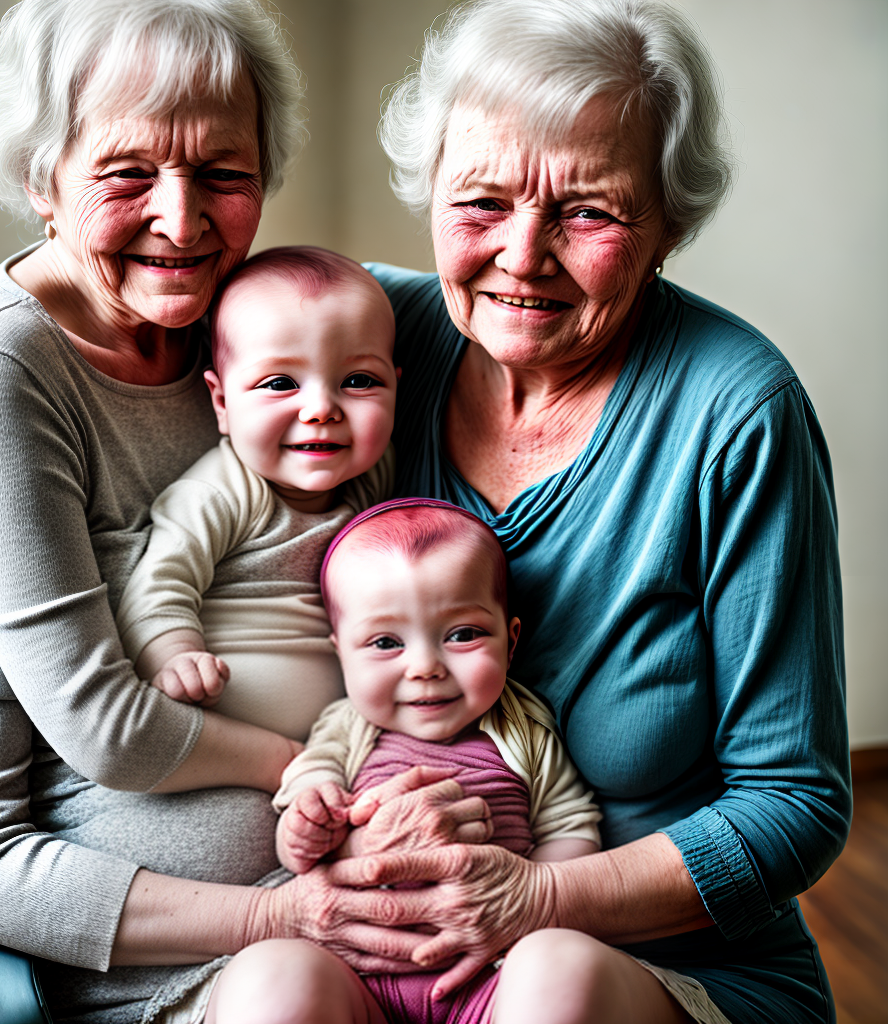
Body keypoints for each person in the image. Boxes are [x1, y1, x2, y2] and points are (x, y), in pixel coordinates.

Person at [264, 1, 845, 1023]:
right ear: (430, 193)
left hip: (658, 964)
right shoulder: (367, 349)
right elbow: (153, 322)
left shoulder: (736, 411)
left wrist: (535, 899)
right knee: (271, 983)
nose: (522, 256)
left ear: (667, 221)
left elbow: (794, 804)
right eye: (480, 201)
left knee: (548, 984)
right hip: (390, 961)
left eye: (588, 210)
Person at [0, 4, 474, 1022]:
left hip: (348, 889)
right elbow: (74, 763)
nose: (181, 218)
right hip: (156, 945)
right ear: (42, 177)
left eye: (223, 172)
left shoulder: (251, 318)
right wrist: (297, 828)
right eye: (127, 172)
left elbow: (492, 290)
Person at [205, 498, 601, 1023]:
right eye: (386, 642)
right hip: (360, 979)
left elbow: (571, 826)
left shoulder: (522, 726)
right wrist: (305, 827)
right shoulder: (347, 727)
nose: (425, 667)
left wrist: (526, 917)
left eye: (463, 634)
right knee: (271, 973)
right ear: (340, 653)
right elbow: (306, 798)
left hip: (491, 979)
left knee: (560, 969)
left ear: (511, 641)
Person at [115, 245, 397, 738]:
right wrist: (177, 655)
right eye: (280, 382)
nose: (321, 409)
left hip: (343, 740)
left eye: (357, 381)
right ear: (222, 402)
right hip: (225, 729)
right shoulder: (223, 492)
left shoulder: (375, 483)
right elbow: (157, 588)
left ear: (396, 390)